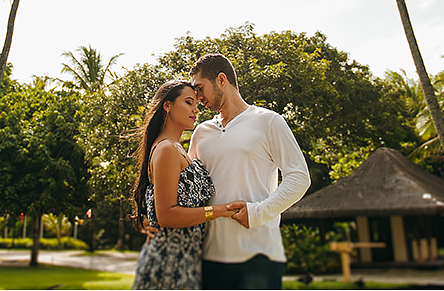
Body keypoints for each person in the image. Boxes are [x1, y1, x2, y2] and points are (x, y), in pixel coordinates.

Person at [187, 53, 311, 289]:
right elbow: (186, 186)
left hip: (259, 257)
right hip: (209, 258)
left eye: (200, 88)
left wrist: (257, 213)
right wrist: (156, 219)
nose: (197, 97)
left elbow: (299, 177)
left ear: (221, 80)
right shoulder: (201, 132)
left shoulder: (268, 121)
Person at [132, 80, 244, 290]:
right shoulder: (166, 149)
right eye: (188, 102)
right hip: (169, 262)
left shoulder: (178, 148)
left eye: (196, 103)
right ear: (167, 105)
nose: (195, 109)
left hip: (187, 260)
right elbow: (166, 215)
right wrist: (218, 211)